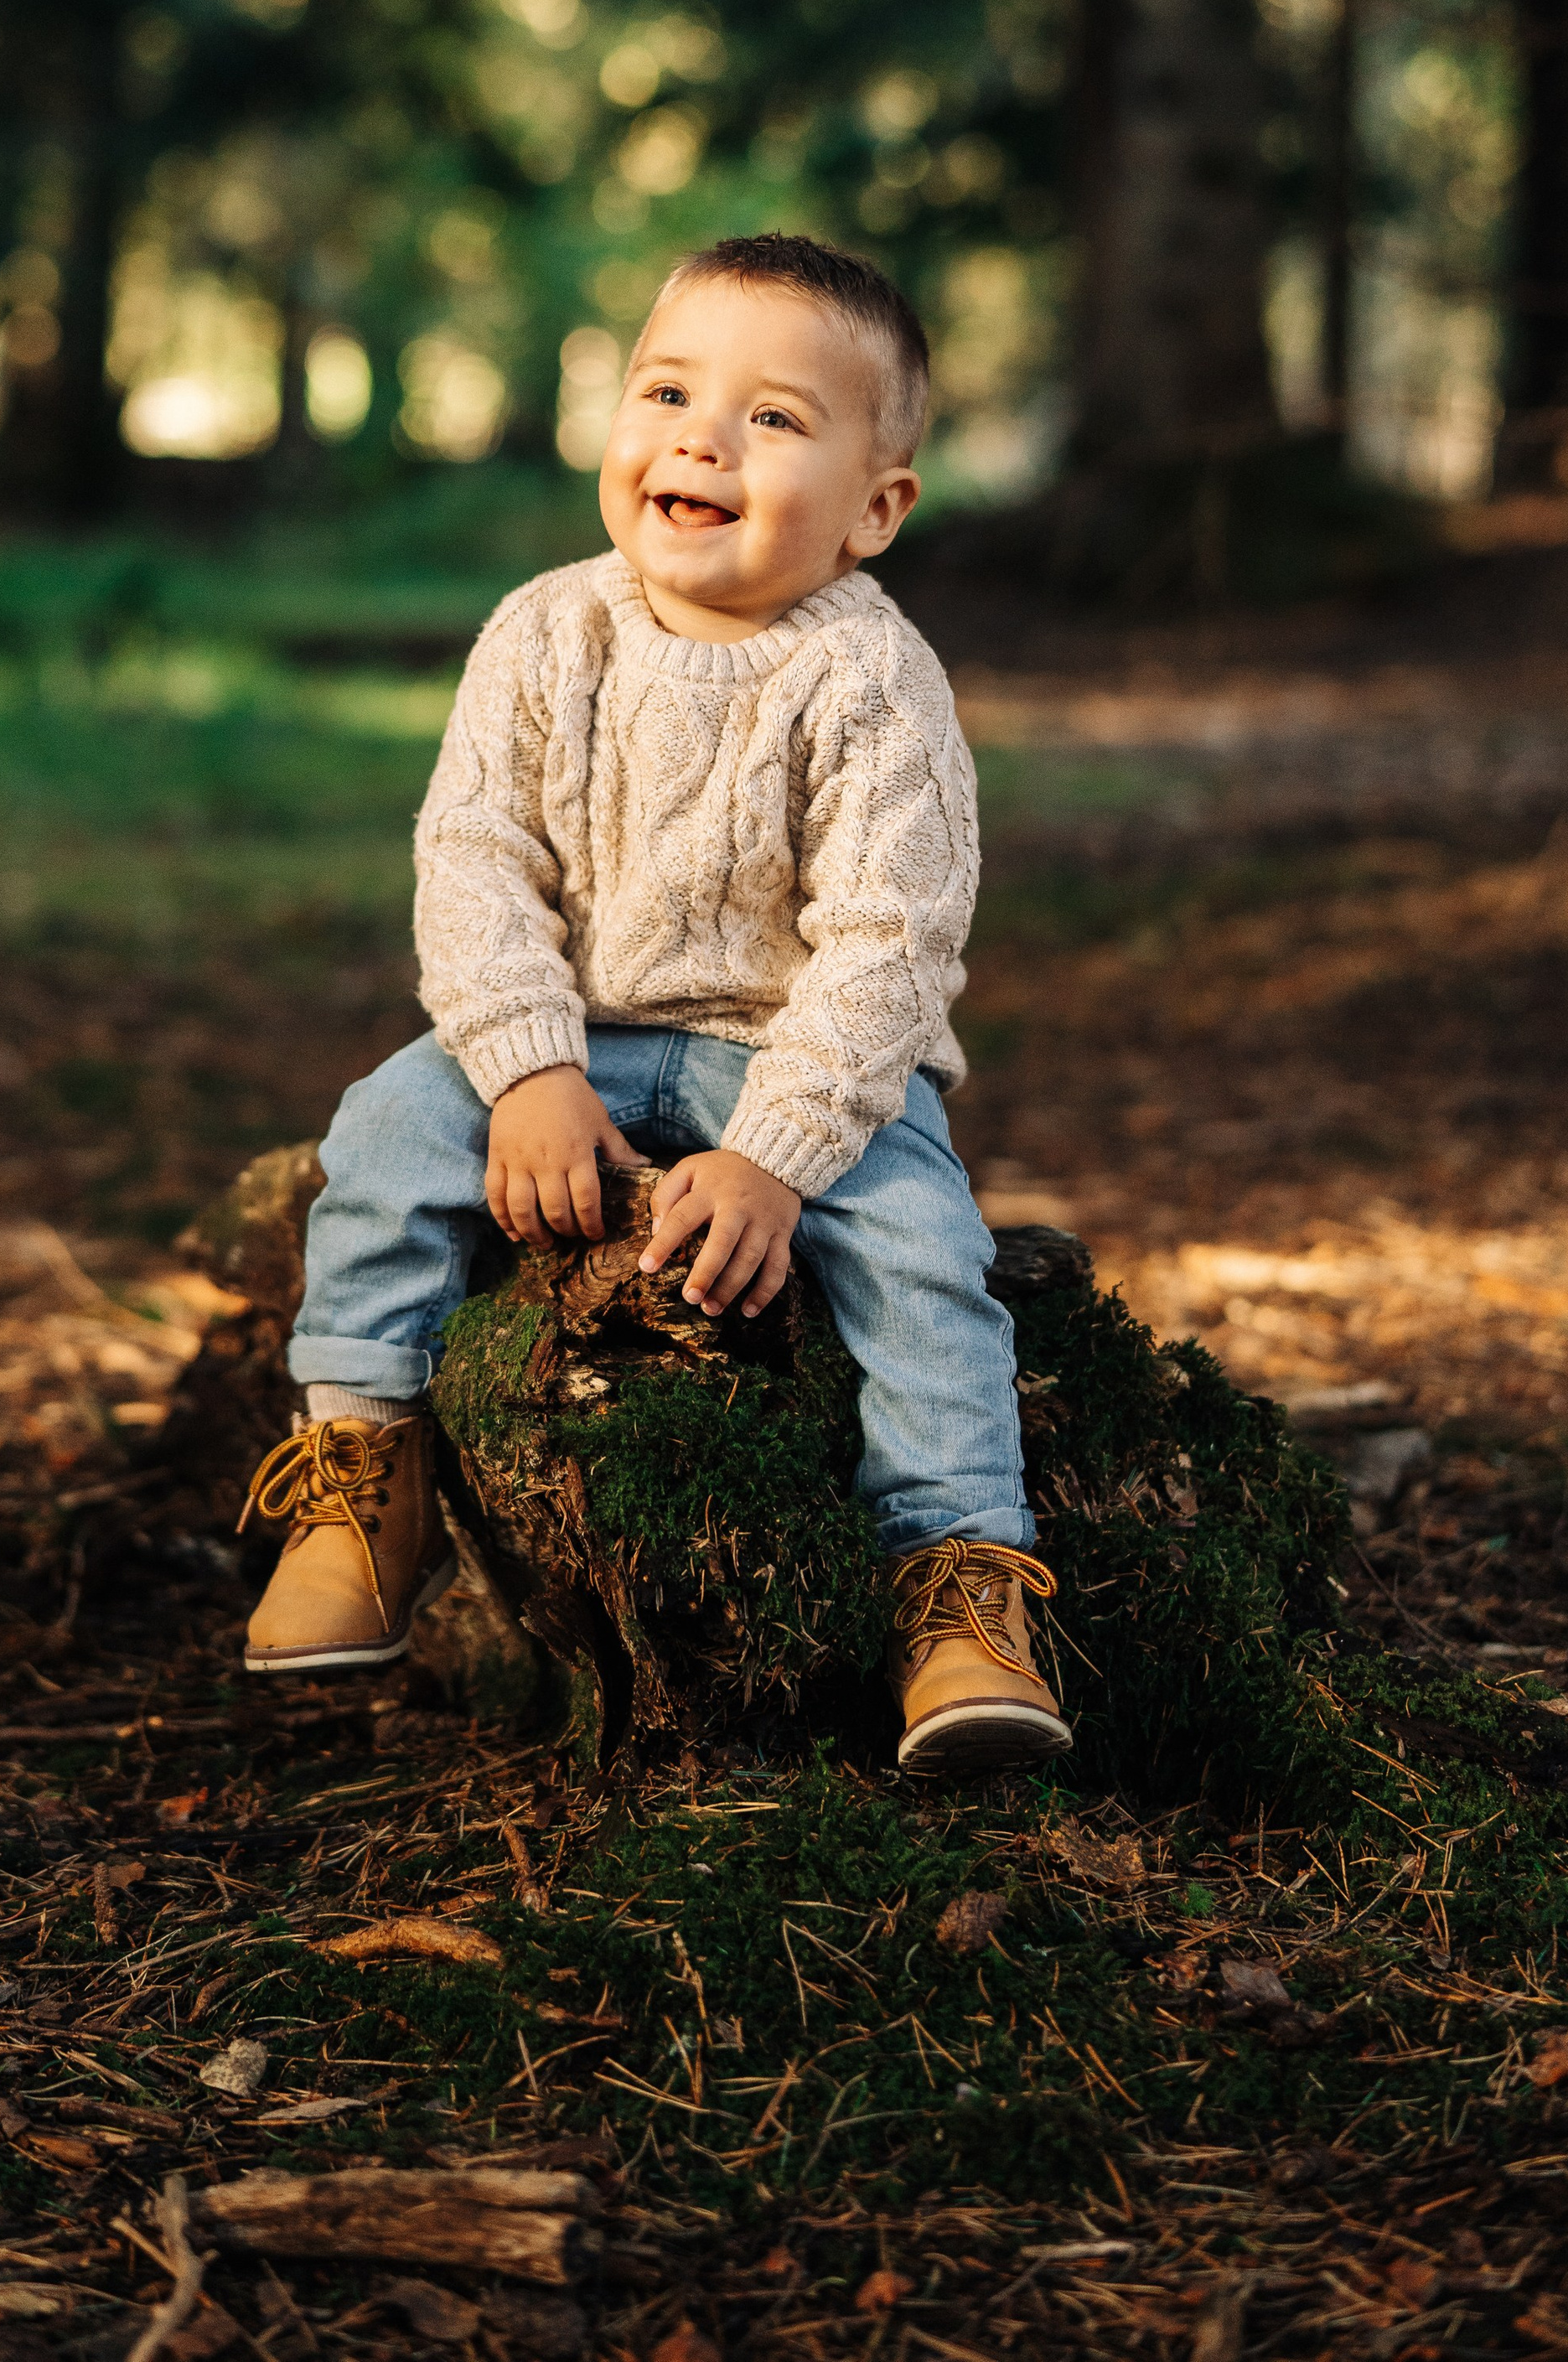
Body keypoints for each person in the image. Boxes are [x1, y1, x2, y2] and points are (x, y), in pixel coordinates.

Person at [237, 232, 1069, 1777]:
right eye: (670, 390)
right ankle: (366, 1462)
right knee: (382, 1133)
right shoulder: (548, 631)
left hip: (799, 1060)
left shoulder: (879, 685)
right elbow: (476, 864)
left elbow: (891, 945)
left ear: (878, 510)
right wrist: (529, 1070)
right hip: (575, 1032)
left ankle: (957, 1589)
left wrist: (779, 1158)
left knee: (927, 1260)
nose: (700, 437)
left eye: (774, 417)